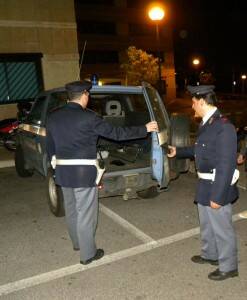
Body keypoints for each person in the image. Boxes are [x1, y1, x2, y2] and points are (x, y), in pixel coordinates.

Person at [46, 80, 158, 265]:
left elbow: (51, 147)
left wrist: (55, 166)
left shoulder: (53, 117)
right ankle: (88, 254)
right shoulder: (89, 117)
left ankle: (77, 244)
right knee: (86, 213)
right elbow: (117, 134)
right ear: (84, 95)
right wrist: (144, 129)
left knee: (72, 210)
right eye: (88, 95)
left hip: (63, 171)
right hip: (83, 173)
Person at [168, 85, 239, 281]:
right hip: (204, 183)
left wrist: (218, 196)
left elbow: (226, 164)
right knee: (207, 224)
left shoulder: (224, 126)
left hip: (217, 184)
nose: (192, 107)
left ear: (201, 101)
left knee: (222, 228)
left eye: (193, 103)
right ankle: (210, 255)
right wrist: (179, 151)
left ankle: (229, 266)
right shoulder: (208, 124)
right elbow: (201, 149)